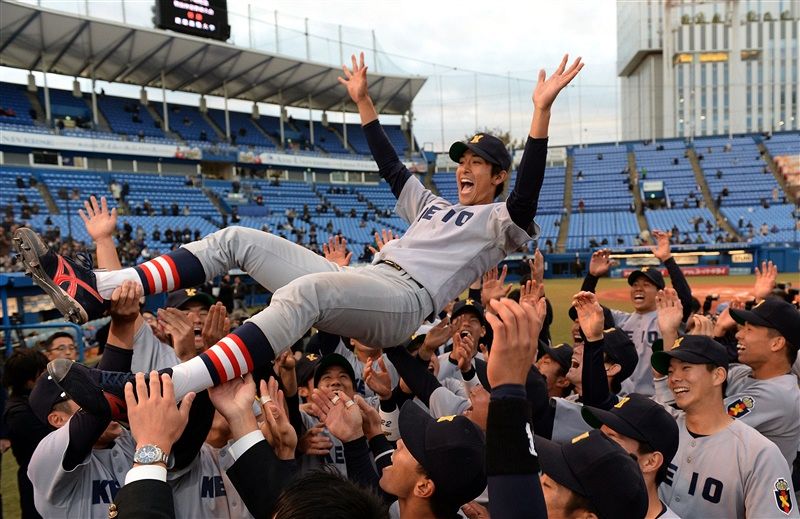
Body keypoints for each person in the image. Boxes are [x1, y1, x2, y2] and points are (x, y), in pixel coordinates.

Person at [16, 53, 583, 411]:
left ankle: (167, 385)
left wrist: (540, 116)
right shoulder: (431, 204)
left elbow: (529, 194)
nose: (463, 167)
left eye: (476, 163)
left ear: (497, 175)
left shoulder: (499, 221)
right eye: (461, 159)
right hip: (366, 277)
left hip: (406, 302)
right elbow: (390, 165)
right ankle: (103, 287)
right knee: (237, 238)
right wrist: (362, 102)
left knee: (306, 294)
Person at [650, 335, 798, 518]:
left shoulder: (759, 454)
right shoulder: (661, 428)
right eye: (671, 371)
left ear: (718, 375)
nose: (674, 378)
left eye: (686, 368)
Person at [582, 238, 692, 396]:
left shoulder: (668, 320)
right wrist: (592, 277)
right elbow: (586, 308)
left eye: (646, 285)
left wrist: (667, 259)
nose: (638, 288)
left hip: (659, 398)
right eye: (634, 285)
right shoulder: (620, 320)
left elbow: (686, 301)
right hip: (622, 399)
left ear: (659, 292)